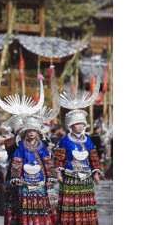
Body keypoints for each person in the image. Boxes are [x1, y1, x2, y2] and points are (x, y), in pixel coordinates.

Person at [0, 65, 59, 225]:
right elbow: (11, 149)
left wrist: (51, 175)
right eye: (25, 129)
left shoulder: (41, 143)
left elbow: (48, 156)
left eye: (31, 129)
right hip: (17, 179)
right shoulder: (14, 143)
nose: (29, 132)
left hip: (38, 179)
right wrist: (19, 132)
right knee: (16, 211)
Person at [55, 76, 102, 225]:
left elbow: (94, 157)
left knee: (86, 204)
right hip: (70, 177)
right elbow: (59, 159)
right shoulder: (65, 140)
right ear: (71, 126)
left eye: (82, 124)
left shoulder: (88, 139)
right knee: (70, 204)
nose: (80, 127)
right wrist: (58, 172)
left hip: (85, 177)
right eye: (77, 124)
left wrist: (96, 172)